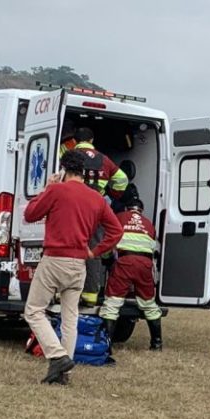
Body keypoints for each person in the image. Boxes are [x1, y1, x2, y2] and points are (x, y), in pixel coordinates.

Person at [23, 150, 123, 384]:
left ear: (63, 170)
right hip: (79, 263)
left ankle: (57, 356)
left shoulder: (57, 190)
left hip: (54, 259)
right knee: (70, 318)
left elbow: (30, 214)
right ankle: (63, 374)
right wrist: (95, 251)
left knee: (34, 310)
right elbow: (116, 230)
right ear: (85, 173)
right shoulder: (96, 198)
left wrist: (47, 188)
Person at [73, 126, 129, 306]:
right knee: (94, 250)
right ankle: (90, 295)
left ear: (75, 141)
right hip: (97, 208)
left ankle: (63, 293)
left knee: (69, 249)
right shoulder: (104, 159)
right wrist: (114, 193)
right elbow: (122, 180)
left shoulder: (70, 158)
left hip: (74, 208)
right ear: (91, 141)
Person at [98, 196, 164, 351]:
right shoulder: (149, 224)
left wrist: (106, 259)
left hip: (125, 262)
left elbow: (109, 241)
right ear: (141, 211)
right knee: (148, 303)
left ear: (127, 209)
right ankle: (157, 343)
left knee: (113, 303)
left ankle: (106, 345)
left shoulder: (119, 218)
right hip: (144, 264)